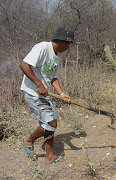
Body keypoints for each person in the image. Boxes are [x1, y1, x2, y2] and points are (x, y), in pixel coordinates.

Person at [20, 26, 74, 164]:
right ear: (61, 41)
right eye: (68, 43)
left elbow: (53, 78)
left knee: (51, 124)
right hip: (34, 92)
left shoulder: (58, 55)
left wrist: (62, 93)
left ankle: (49, 157)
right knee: (50, 123)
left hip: (46, 94)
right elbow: (24, 65)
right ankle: (29, 140)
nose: (68, 46)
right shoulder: (42, 47)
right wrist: (39, 84)